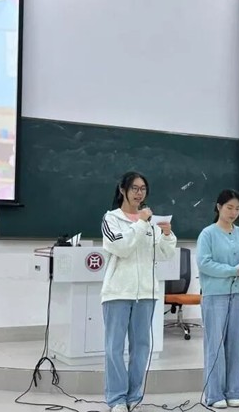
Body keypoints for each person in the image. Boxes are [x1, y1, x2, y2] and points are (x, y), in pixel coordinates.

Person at [101, 171, 177, 412]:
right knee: (114, 347)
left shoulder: (150, 222)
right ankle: (116, 398)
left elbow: (165, 253)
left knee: (141, 347)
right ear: (122, 190)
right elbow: (121, 247)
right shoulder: (111, 218)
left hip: (146, 293)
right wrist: (142, 223)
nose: (139, 193)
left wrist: (167, 234)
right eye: (134, 188)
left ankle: (134, 396)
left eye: (143, 188)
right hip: (118, 292)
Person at [196, 189, 239, 409]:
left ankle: (233, 391)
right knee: (215, 344)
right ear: (219, 207)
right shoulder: (208, 234)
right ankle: (214, 394)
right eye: (229, 207)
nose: (233, 212)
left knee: (235, 343)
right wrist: (233, 270)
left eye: (237, 209)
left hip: (238, 293)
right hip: (214, 294)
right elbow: (204, 263)